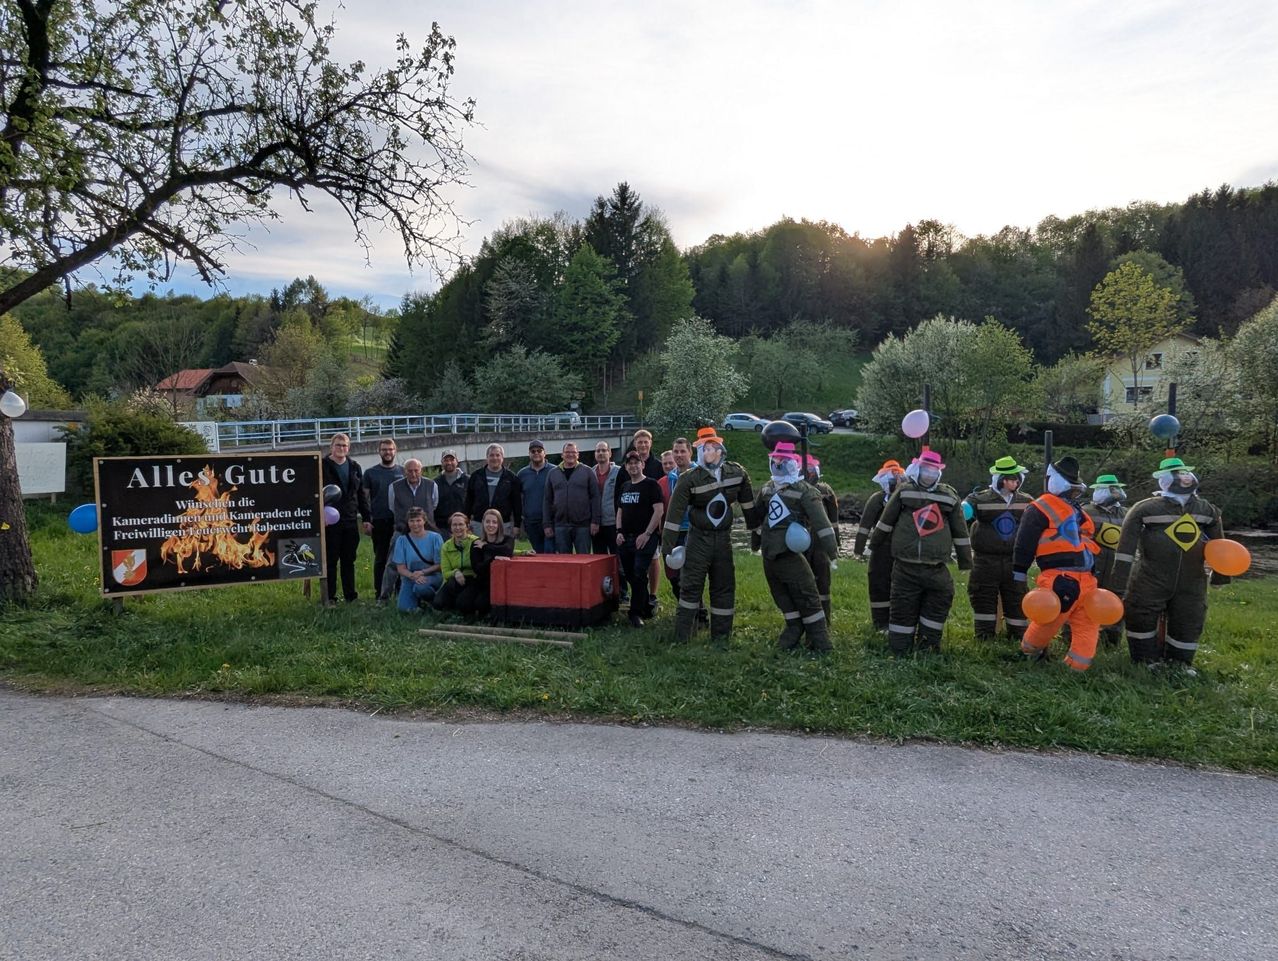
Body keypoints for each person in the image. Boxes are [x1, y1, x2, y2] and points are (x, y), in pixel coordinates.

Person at [1110, 457, 1228, 671]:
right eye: (1179, 473)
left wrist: (1221, 576)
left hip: (1192, 581)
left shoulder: (1206, 509)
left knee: (1189, 618)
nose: (1185, 477)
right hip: (1150, 577)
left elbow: (1221, 547)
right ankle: (1145, 660)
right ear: (1164, 479)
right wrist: (1119, 585)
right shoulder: (1145, 509)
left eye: (1186, 472)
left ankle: (1180, 663)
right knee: (1141, 614)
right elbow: (1125, 549)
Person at [868, 449, 971, 655]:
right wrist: (874, 544)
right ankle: (900, 648)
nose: (929, 475)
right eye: (926, 470)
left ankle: (928, 646)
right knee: (902, 607)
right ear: (918, 470)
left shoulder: (948, 496)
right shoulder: (904, 492)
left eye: (934, 471)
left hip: (936, 566)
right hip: (905, 566)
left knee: (939, 602)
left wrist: (965, 561)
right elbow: (886, 521)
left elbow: (960, 531)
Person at [661, 426, 756, 644]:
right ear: (700, 451)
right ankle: (683, 635)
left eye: (713, 448)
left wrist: (756, 532)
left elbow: (748, 505)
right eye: (705, 448)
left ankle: (722, 636)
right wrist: (667, 548)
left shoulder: (736, 473)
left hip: (723, 539)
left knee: (724, 586)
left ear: (721, 450)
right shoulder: (689, 479)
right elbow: (674, 515)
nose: (709, 452)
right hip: (698, 539)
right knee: (690, 586)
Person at [1011, 457, 1103, 672]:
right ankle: (1074, 666)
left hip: (1070, 578)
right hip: (1076, 578)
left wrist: (1019, 572)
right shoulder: (1070, 510)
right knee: (1080, 623)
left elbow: (1024, 543)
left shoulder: (1050, 508)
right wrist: (1019, 571)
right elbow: (1025, 542)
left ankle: (1031, 652)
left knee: (1055, 619)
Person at [752, 442, 837, 652]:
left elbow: (822, 523)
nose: (778, 464)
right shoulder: (768, 489)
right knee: (790, 595)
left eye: (783, 461)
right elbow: (757, 518)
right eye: (776, 460)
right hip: (773, 553)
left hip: (786, 552)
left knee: (804, 594)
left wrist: (831, 551)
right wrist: (755, 543)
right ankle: (798, 632)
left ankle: (819, 642)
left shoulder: (804, 491)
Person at [963, 455, 1034, 642]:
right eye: (1012, 479)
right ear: (1001, 479)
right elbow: (963, 512)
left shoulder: (1026, 500)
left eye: (1017, 479)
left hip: (1014, 561)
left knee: (1017, 598)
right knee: (983, 598)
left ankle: (1018, 637)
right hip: (985, 561)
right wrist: (963, 509)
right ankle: (984, 638)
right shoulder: (979, 498)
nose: (1016, 482)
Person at [614, 450, 665, 626]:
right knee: (629, 574)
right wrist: (619, 531)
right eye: (630, 464)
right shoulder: (625, 486)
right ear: (626, 467)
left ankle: (635, 614)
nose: (633, 466)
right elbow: (620, 511)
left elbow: (659, 510)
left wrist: (647, 534)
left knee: (639, 572)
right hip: (625, 537)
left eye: (637, 463)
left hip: (645, 537)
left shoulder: (651, 485)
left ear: (642, 465)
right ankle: (645, 606)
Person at [853, 459, 904, 632]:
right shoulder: (877, 499)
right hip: (882, 547)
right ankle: (881, 622)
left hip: (900, 548)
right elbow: (865, 525)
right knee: (879, 582)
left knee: (899, 584)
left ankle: (897, 621)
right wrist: (859, 550)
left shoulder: (906, 498)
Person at [321, 433, 371, 605]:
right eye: (338, 445)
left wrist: (366, 518)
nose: (341, 448)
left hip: (350, 520)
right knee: (331, 561)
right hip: (330, 522)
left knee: (349, 560)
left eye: (344, 445)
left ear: (348, 448)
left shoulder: (355, 466)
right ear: (331, 447)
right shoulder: (322, 465)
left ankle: (351, 596)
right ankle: (330, 597)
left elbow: (361, 494)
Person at [379, 458, 438, 601]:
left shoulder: (432, 485)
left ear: (421, 470)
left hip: (426, 532)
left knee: (432, 561)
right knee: (392, 564)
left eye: (416, 470)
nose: (413, 474)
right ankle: (384, 597)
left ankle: (431, 594)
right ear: (404, 471)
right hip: (402, 530)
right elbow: (392, 507)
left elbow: (434, 504)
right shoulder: (394, 487)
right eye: (409, 471)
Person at [1082, 474, 1129, 648]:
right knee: (1085, 600)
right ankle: (1077, 636)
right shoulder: (1086, 511)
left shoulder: (1126, 513)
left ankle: (1111, 640)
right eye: (1110, 489)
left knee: (1115, 600)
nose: (1115, 492)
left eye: (1116, 488)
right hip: (1092, 564)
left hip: (1116, 566)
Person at [361, 438, 403, 603]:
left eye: (390, 449)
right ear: (379, 451)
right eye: (384, 449)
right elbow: (364, 499)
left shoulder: (402, 471)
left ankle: (400, 592)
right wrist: (367, 520)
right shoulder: (370, 473)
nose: (387, 452)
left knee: (400, 558)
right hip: (379, 521)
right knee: (381, 559)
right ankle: (380, 593)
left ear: (395, 451)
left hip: (399, 522)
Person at [658, 437, 696, 615]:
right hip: (673, 531)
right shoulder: (670, 478)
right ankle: (683, 606)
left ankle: (697, 612)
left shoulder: (699, 474)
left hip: (693, 531)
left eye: (682, 451)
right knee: (673, 574)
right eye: (676, 451)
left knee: (691, 575)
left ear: (690, 453)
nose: (679, 455)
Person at [543, 441, 600, 554]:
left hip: (583, 526)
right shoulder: (553, 473)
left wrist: (595, 521)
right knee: (564, 561)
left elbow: (595, 497)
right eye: (567, 452)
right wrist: (547, 524)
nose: (570, 455)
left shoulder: (587, 472)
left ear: (578, 454)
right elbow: (547, 500)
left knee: (584, 559)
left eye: (573, 452)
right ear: (562, 455)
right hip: (560, 525)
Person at [804, 456, 840, 624]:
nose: (810, 473)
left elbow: (833, 520)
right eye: (807, 470)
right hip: (800, 543)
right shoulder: (795, 489)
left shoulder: (825, 490)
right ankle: (805, 617)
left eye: (812, 470)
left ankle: (825, 619)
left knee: (823, 581)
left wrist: (835, 542)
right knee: (803, 580)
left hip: (820, 544)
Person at [464, 443, 522, 537]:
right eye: (491, 455)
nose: (494, 458)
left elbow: (517, 504)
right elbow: (469, 500)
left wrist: (517, 525)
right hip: (479, 523)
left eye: (497, 455)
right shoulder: (476, 476)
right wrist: (466, 522)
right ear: (487, 458)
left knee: (502, 547)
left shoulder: (511, 478)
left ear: (502, 458)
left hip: (503, 523)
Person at [392, 507, 443, 612]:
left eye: (418, 520)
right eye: (412, 521)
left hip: (432, 575)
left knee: (420, 588)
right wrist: (413, 576)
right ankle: (419, 605)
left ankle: (434, 601)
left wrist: (422, 572)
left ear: (424, 521)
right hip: (411, 576)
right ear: (408, 522)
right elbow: (400, 568)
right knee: (404, 609)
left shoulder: (435, 537)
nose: (415, 524)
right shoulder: (401, 540)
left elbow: (440, 565)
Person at [470, 507, 515, 619]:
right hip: (483, 581)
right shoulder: (476, 543)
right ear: (483, 523)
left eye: (494, 522)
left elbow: (507, 551)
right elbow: (477, 568)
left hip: (502, 582)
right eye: (488, 521)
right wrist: (494, 559)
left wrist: (486, 547)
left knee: (481, 605)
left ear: (499, 524)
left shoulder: (508, 539)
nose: (491, 525)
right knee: (463, 603)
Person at [433, 512, 480, 616]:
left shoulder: (476, 541)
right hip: (454, 580)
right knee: (437, 603)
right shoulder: (446, 546)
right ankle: (454, 606)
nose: (457, 528)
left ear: (467, 526)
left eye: (461, 524)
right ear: (450, 527)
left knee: (463, 604)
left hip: (472, 579)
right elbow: (445, 573)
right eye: (454, 525)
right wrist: (455, 572)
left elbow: (491, 549)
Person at [517, 440, 554, 554]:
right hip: (531, 522)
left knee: (550, 553)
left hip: (551, 521)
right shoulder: (522, 474)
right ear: (529, 454)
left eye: (539, 451)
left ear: (544, 453)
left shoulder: (554, 471)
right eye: (533, 451)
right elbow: (518, 498)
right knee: (538, 555)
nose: (536, 453)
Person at [592, 441, 621, 556]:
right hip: (596, 524)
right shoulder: (590, 473)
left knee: (617, 557)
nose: (601, 453)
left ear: (610, 453)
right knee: (599, 558)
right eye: (598, 451)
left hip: (613, 523)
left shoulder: (619, 472)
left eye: (604, 450)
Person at [433, 449, 468, 532]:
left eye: (452, 460)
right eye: (446, 460)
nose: (449, 463)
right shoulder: (435, 483)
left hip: (463, 526)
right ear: (442, 463)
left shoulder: (467, 480)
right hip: (442, 527)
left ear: (457, 461)